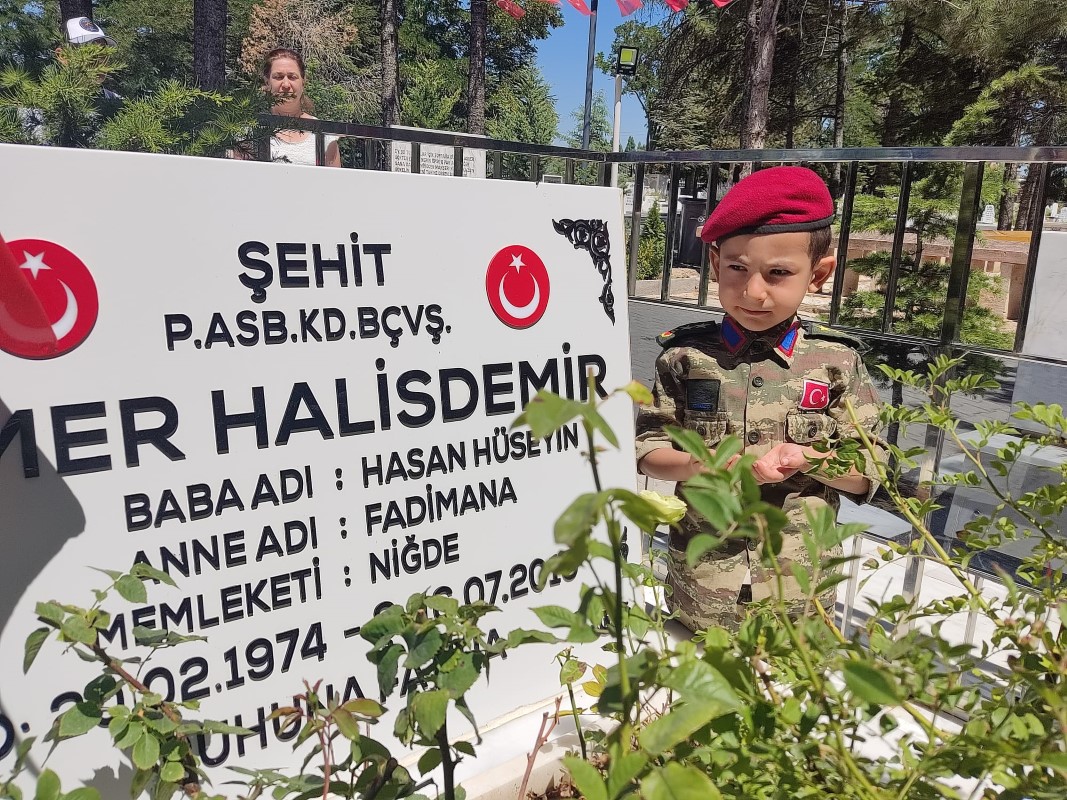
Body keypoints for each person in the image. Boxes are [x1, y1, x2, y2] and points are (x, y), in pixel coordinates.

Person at [635, 166, 885, 633]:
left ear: (819, 273)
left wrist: (810, 459)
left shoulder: (836, 363)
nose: (753, 291)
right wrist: (710, 464)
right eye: (737, 268)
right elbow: (648, 451)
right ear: (714, 264)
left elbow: (870, 472)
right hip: (703, 588)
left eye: (777, 273)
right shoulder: (686, 358)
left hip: (798, 595)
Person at [257, 47, 340, 167]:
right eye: (279, 77)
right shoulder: (250, 131)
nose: (286, 84)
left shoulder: (326, 136)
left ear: (303, 81)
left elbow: (335, 183)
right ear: (267, 82)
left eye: (292, 77)